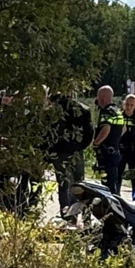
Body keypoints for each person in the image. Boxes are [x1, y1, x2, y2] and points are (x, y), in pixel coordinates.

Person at [44, 92, 94, 223]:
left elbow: (47, 134)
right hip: (77, 151)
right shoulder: (83, 109)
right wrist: (80, 146)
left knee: (64, 184)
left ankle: (68, 217)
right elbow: (89, 132)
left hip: (59, 152)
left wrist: (48, 153)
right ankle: (85, 216)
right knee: (80, 184)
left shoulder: (53, 111)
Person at [91, 86, 125, 195]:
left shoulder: (106, 112)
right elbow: (123, 129)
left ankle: (109, 209)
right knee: (113, 181)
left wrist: (96, 143)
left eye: (98, 95)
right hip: (115, 151)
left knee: (107, 185)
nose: (97, 99)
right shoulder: (117, 111)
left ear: (103, 97)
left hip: (106, 154)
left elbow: (105, 130)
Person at [118, 93, 135, 193]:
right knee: (118, 176)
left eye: (131, 105)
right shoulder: (119, 116)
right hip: (121, 150)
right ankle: (116, 198)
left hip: (134, 152)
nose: (129, 107)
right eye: (127, 104)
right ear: (124, 104)